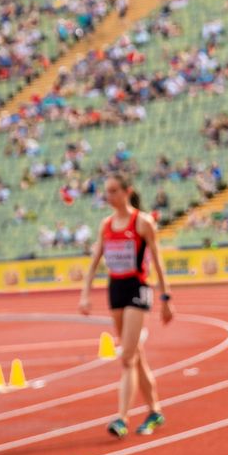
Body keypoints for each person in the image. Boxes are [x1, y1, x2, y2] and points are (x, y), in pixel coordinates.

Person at [79, 177, 174, 438]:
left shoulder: (143, 223)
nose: (108, 196)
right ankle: (155, 410)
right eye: (106, 192)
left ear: (126, 192)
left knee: (127, 356)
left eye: (113, 191)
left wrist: (166, 298)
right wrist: (85, 293)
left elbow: (157, 259)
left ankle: (122, 418)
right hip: (116, 289)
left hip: (137, 288)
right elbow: (95, 260)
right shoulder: (106, 224)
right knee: (136, 354)